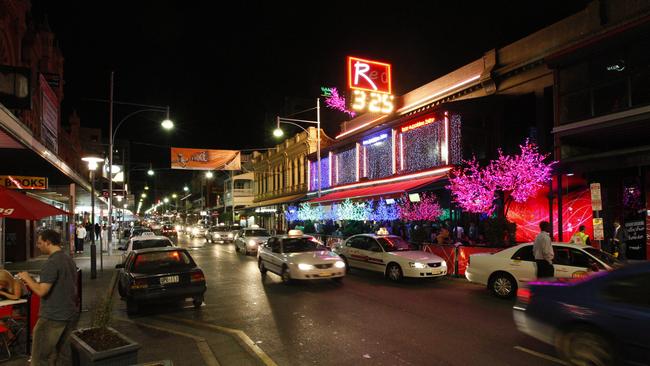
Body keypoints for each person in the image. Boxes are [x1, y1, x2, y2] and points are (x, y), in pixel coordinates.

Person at [17, 229, 78, 366]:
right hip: (69, 314)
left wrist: (26, 278)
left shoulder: (51, 263)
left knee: (39, 358)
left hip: (52, 316)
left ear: (48, 242)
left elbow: (42, 291)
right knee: (62, 357)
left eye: (39, 243)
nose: (38, 246)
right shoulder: (68, 259)